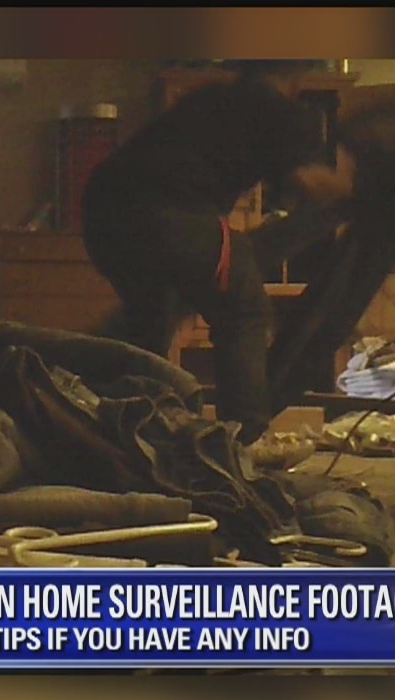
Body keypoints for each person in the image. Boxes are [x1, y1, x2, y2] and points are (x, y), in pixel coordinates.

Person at [82, 60, 357, 447]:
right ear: (296, 78)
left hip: (103, 215)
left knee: (154, 314)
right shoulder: (281, 112)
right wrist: (365, 188)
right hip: (167, 214)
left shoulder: (210, 97)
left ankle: (92, 401)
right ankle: (243, 441)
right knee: (244, 307)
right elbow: (313, 183)